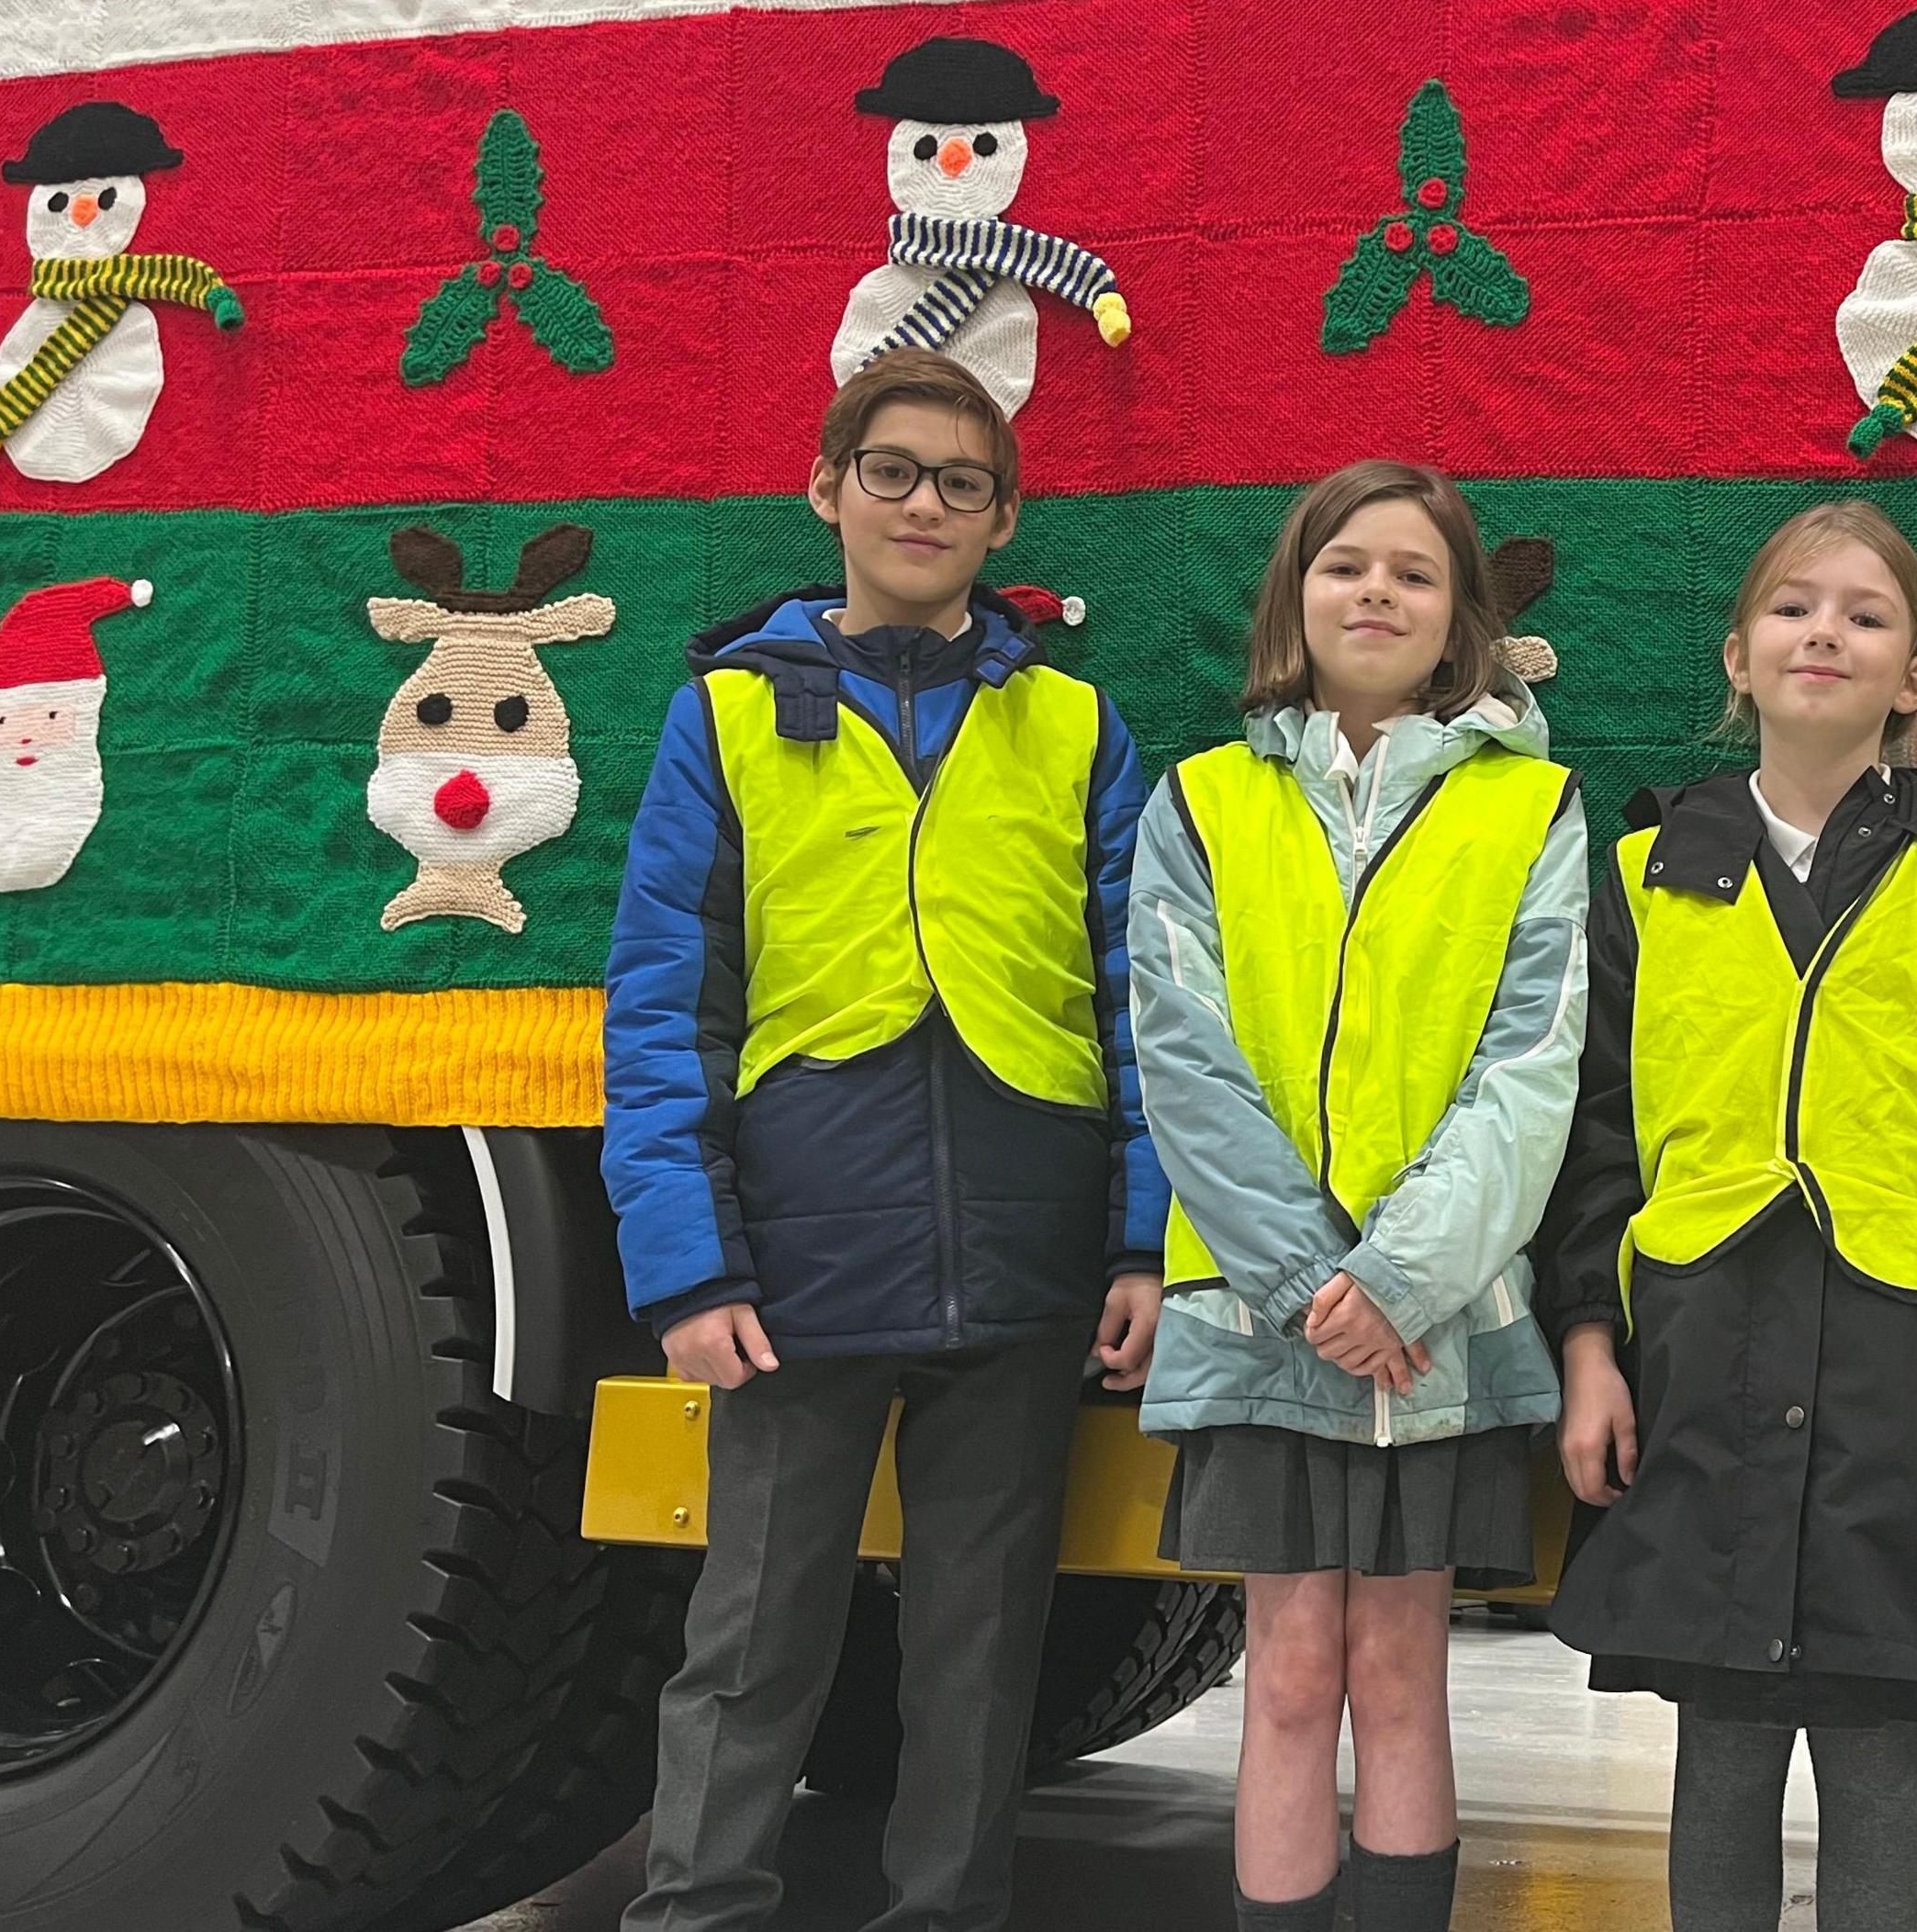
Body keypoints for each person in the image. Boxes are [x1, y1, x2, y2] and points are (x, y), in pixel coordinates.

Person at [600, 348, 1166, 1930]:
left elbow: (1140, 1007)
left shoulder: (1075, 727)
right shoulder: (721, 715)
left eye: (963, 484)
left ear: (1003, 527)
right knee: (754, 1638)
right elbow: (663, 1009)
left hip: (1025, 1255)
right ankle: (695, 1913)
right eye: (895, 472)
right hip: (791, 1262)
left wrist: (1138, 1241)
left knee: (980, 1653)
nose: (926, 503)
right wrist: (688, 1267)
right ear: (828, 492)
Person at [1540, 500, 1917, 1932]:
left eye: (1866, 615)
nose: (1825, 633)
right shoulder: (1647, 874)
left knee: (1875, 1740)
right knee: (1718, 1741)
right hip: (1695, 1357)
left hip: (1898, 1365)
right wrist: (1592, 1347)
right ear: (1738, 655)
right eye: (1795, 608)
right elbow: (1596, 1132)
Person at [1128, 460, 1588, 1932]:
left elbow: (1533, 1069)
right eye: (1346, 565)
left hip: (1437, 1323)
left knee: (1400, 1675)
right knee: (1288, 1677)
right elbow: (1180, 1055)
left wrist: (1396, 1282)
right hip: (1265, 1318)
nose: (1377, 591)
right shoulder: (1200, 804)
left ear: (1462, 615)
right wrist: (1306, 1283)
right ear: (1296, 595)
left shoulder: (1536, 807)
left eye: (1413, 571)